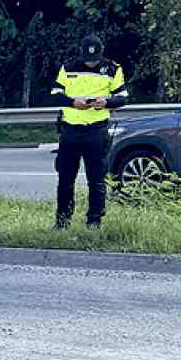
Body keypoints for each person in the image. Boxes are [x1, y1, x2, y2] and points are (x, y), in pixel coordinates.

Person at [51, 33, 127, 229]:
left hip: (97, 130)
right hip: (70, 129)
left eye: (94, 60)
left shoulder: (112, 68)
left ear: (101, 54)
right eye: (87, 59)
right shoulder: (68, 67)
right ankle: (62, 220)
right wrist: (73, 102)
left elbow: (123, 98)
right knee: (66, 177)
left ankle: (94, 220)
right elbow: (55, 94)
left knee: (96, 178)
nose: (90, 64)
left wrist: (107, 102)